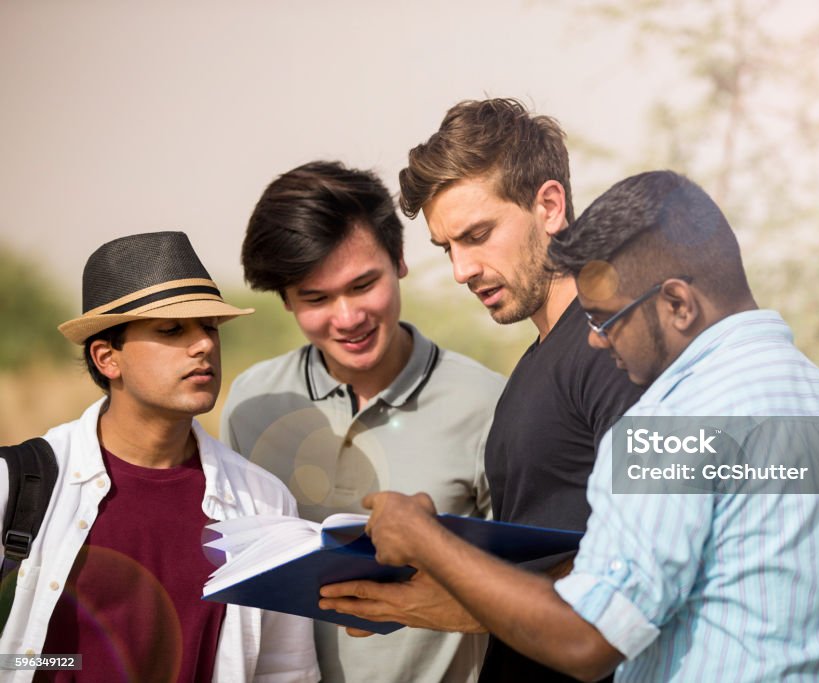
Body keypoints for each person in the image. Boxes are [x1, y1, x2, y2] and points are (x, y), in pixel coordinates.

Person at [348, 171, 819, 682]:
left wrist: (424, 538)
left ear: (678, 305)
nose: (596, 339)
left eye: (606, 319)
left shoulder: (670, 425)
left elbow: (586, 640)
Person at [319, 100, 645, 682]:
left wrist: (457, 600)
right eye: (448, 248)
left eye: (477, 236)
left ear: (549, 205)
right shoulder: (535, 364)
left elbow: (644, 568)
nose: (462, 270)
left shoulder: (618, 347)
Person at [220, 161, 504, 683]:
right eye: (316, 298)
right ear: (284, 299)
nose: (348, 318)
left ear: (399, 261)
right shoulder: (250, 403)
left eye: (363, 284)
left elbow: (527, 594)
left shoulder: (488, 403)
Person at [0, 231, 319, 682]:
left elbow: (285, 671)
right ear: (107, 358)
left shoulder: (264, 502)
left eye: (209, 327)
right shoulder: (19, 483)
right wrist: (70, 664)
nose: (204, 345)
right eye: (172, 330)